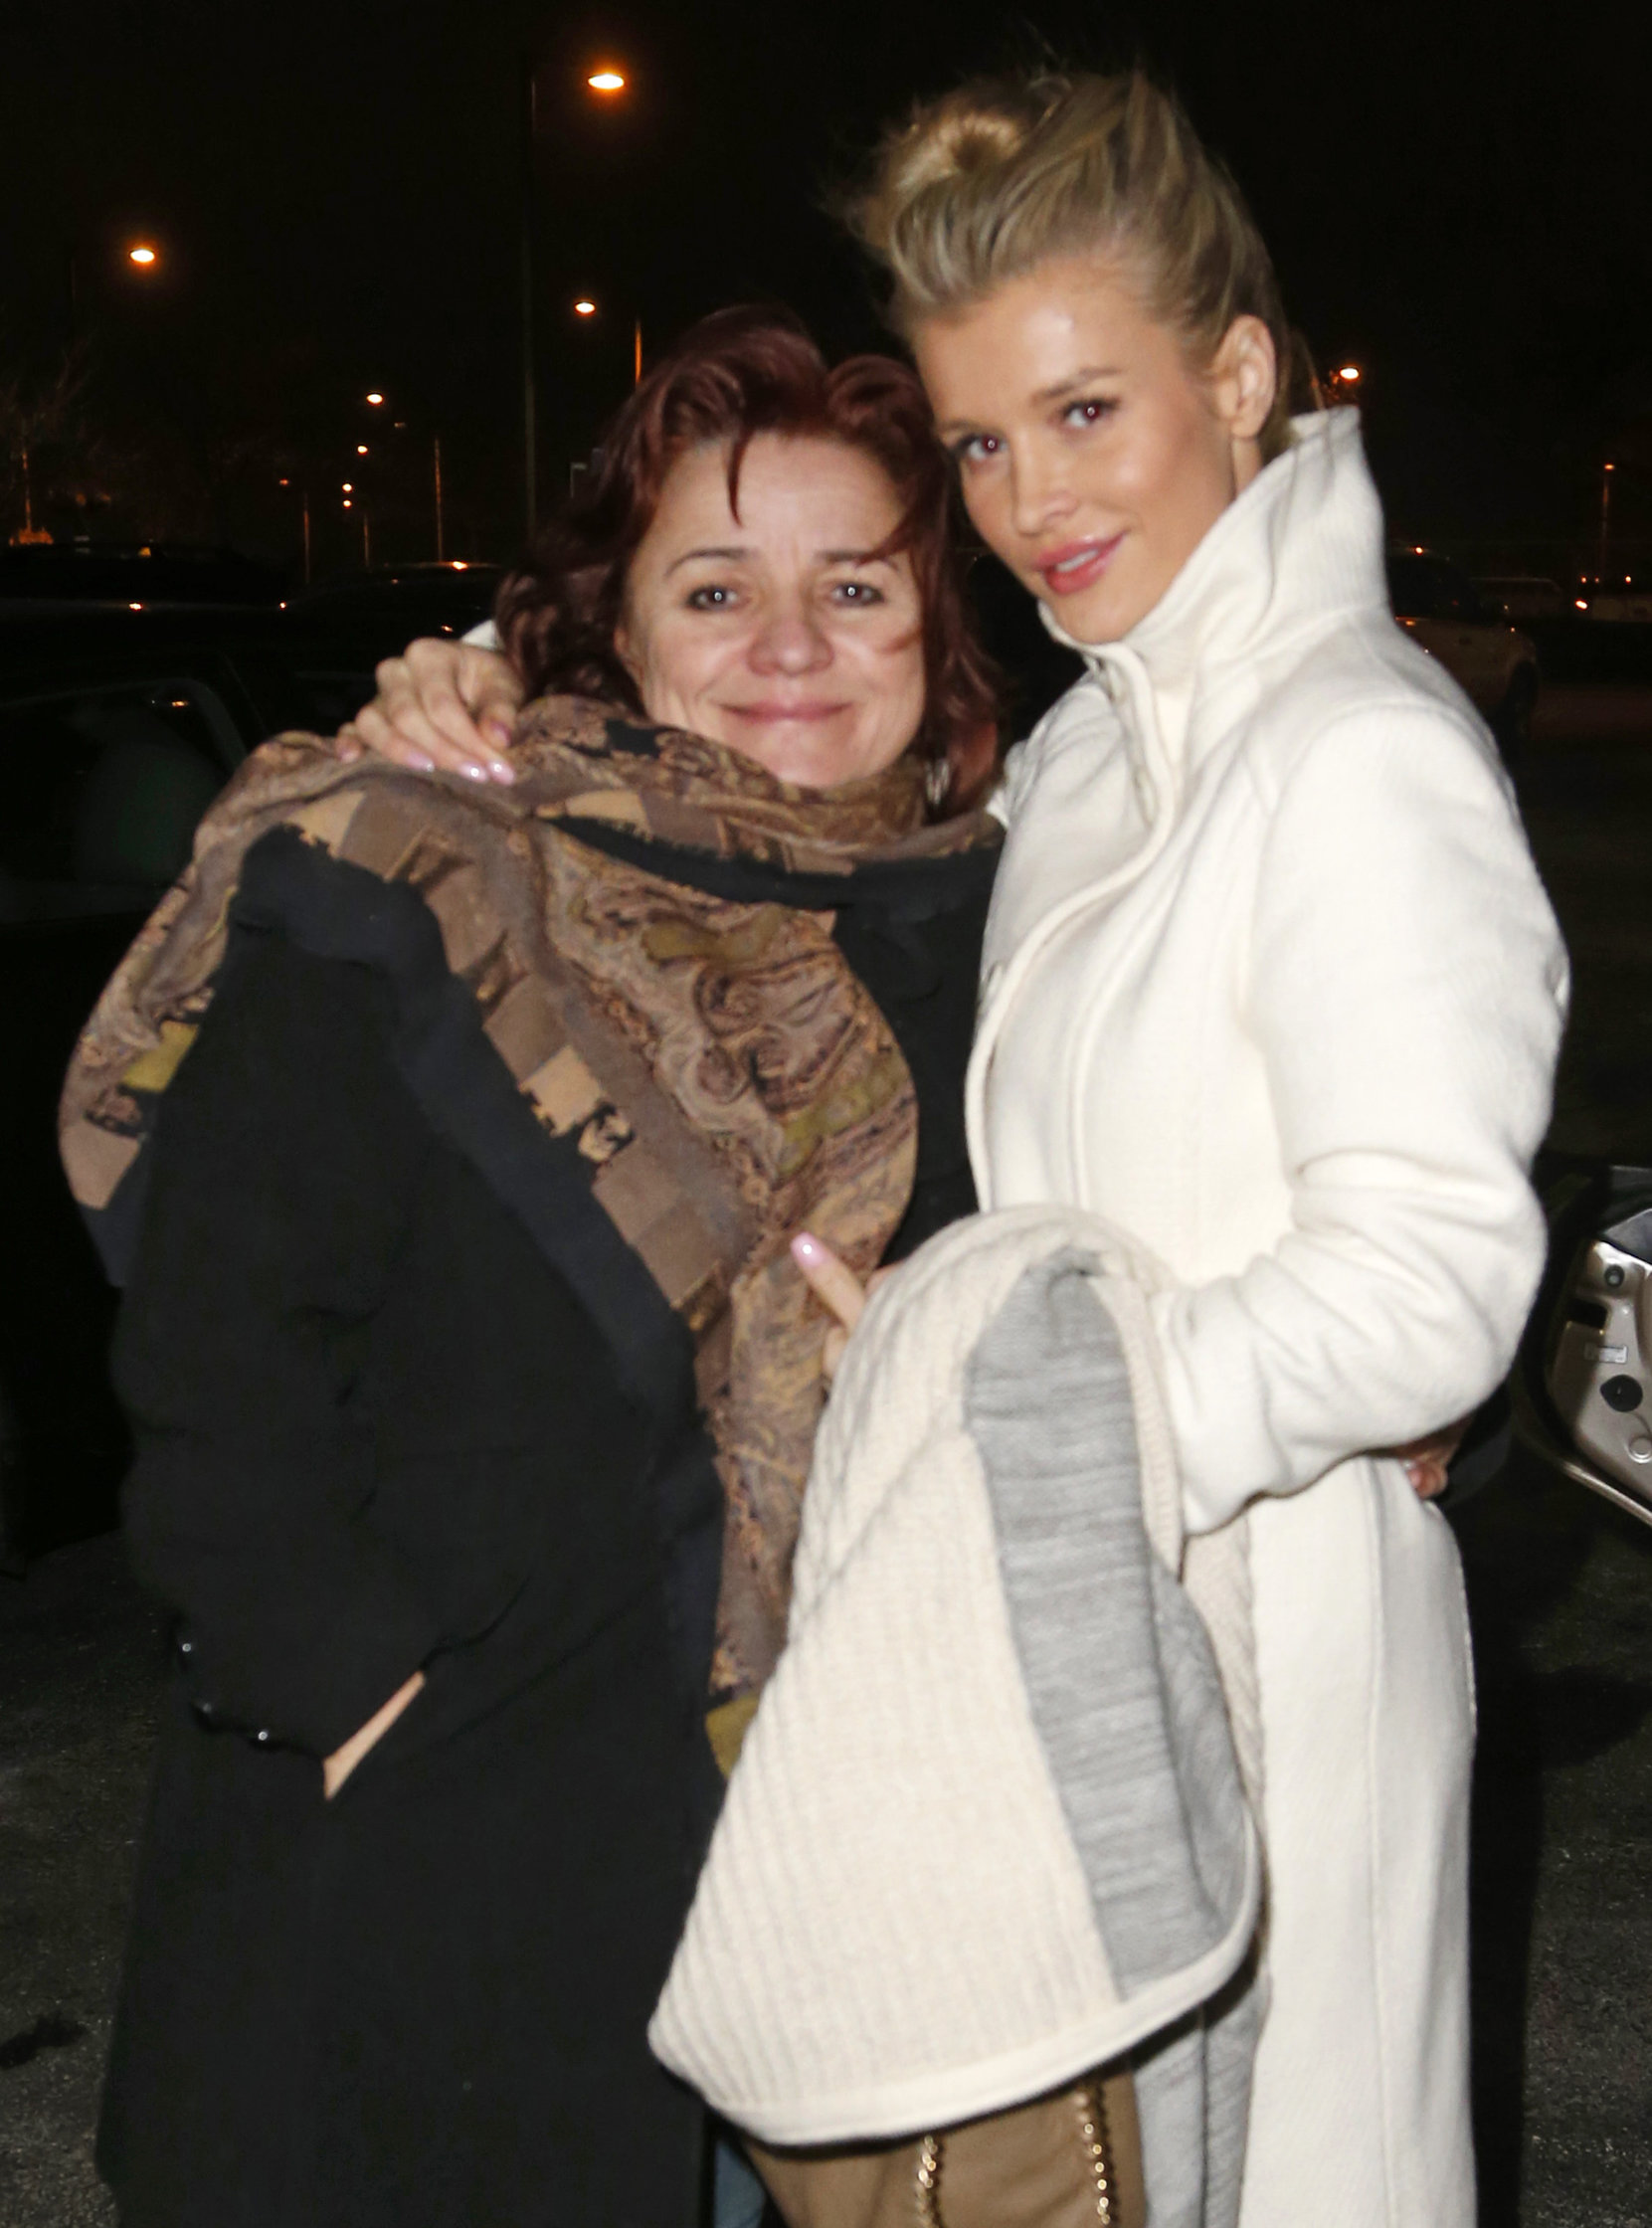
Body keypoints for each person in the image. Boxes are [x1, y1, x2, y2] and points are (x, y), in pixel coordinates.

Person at [62, 308, 1003, 2228]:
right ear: (614, 627)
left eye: (855, 586)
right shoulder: (422, 873)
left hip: (824, 1869)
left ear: (941, 632)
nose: (790, 645)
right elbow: (221, 1346)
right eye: (715, 587)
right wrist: (345, 1685)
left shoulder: (990, 925)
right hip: (445, 1840)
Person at [827, 68, 1563, 2228]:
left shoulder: (1353, 749)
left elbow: (1431, 1282)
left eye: (1083, 413)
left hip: (1274, 1646)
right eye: (978, 439)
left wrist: (1054, 1421)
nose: (1028, 498)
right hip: (1081, 1628)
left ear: (1238, 377)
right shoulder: (1092, 745)